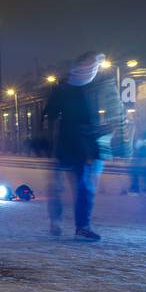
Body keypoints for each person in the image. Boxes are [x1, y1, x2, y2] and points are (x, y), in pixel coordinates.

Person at [42, 51, 110, 241]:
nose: (93, 70)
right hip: (67, 143)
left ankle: (80, 225)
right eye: (90, 65)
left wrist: (99, 130)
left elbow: (88, 119)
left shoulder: (89, 89)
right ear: (78, 67)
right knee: (64, 186)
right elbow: (52, 117)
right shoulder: (64, 90)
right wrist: (51, 145)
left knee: (82, 186)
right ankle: (60, 221)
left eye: (95, 66)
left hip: (82, 144)